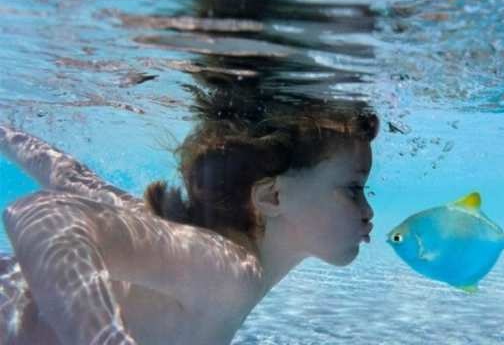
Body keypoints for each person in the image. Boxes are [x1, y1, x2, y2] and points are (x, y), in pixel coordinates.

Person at [0, 90, 378, 345]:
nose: (369, 211)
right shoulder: (230, 271)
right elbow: (42, 214)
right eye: (353, 189)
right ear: (272, 196)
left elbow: (73, 178)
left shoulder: (186, 239)